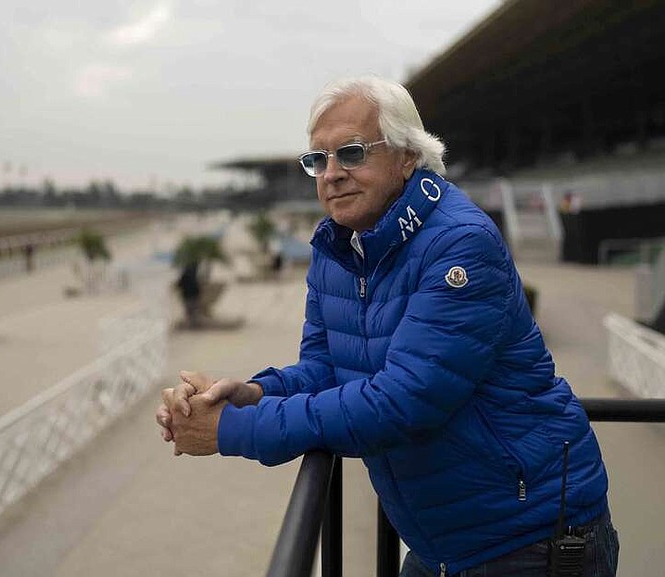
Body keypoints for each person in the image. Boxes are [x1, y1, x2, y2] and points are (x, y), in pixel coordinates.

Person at [156, 77, 619, 576]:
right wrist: (250, 394)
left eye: (351, 153)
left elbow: (405, 401)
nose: (331, 174)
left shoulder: (461, 243)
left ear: (406, 156)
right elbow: (325, 369)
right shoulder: (338, 246)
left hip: (530, 539)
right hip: (440, 542)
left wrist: (230, 431)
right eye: (317, 159)